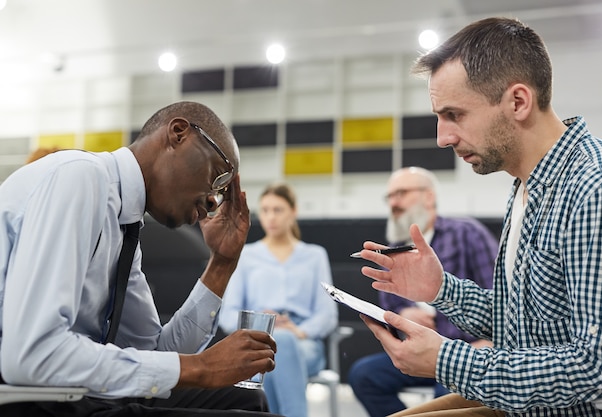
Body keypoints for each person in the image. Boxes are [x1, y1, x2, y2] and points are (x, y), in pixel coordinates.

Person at [356, 17, 602, 417]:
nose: (442, 137)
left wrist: (448, 360)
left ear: (518, 102)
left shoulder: (597, 186)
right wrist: (441, 289)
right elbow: (522, 324)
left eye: (455, 115)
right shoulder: (527, 184)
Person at [0, 101, 282, 417]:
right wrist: (200, 367)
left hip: (66, 391)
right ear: (178, 133)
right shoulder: (81, 177)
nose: (215, 199)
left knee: (246, 401)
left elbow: (154, 354)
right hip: (24, 396)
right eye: (217, 175)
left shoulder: (125, 223)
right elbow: (33, 356)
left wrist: (221, 264)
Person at [348, 166, 497, 417]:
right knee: (363, 375)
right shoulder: (394, 249)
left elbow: (497, 290)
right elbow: (389, 302)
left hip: (466, 349)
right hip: (419, 348)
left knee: (448, 390)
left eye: (401, 193)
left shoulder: (466, 233)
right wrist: (405, 312)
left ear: (429, 196)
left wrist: (490, 340)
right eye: (390, 197)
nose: (393, 203)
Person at [220, 183, 338, 417]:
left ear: (293, 212)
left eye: (278, 210)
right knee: (271, 352)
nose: (270, 217)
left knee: (280, 346)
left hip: (304, 343)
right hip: (258, 342)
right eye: (265, 210)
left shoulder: (315, 255)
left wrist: (298, 331)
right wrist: (261, 327)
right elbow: (227, 315)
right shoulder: (247, 255)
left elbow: (327, 314)